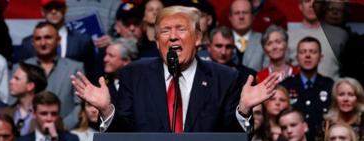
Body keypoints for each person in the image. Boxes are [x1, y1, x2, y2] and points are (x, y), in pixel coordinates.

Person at [71, 5, 278, 133]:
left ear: (198, 38)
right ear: (156, 39)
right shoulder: (134, 75)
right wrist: (106, 110)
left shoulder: (224, 78)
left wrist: (243, 110)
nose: (172, 36)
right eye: (165, 30)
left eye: (181, 29)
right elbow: (124, 136)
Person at [22, 21, 85, 129]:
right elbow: (14, 104)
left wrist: (61, 127)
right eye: (38, 39)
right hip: (29, 134)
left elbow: (80, 105)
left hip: (65, 133)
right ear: (32, 42)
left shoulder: (75, 68)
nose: (43, 43)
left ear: (59, 40)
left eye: (48, 37)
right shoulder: (21, 68)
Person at [18, 0, 96, 82]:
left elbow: (91, 74)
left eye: (57, 7)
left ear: (65, 9)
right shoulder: (27, 43)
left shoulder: (83, 41)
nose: (53, 11)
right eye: (49, 8)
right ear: (42, 11)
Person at [281, 36, 334, 141]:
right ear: (297, 57)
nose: (308, 55)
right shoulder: (286, 85)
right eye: (303, 52)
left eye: (313, 52)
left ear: (321, 57)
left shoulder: (330, 85)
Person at [287, 0, 348, 80]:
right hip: (297, 90)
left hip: (333, 90)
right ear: (300, 6)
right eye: (307, 1)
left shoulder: (341, 35)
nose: (312, 5)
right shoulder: (288, 36)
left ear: (323, 7)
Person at [0, 62, 47, 136]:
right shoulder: (3, 113)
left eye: (17, 79)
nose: (11, 81)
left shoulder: (48, 117)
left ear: (30, 86)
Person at [229, 0, 267, 71]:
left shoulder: (264, 41)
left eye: (245, 13)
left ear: (253, 16)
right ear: (230, 17)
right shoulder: (221, 40)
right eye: (237, 13)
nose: (241, 17)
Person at [324, 77, 364, 141]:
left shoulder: (362, 121)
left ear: (358, 98)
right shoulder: (326, 124)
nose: (345, 99)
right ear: (335, 98)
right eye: (341, 94)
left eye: (351, 95)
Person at [103, 38, 138, 106]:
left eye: (111, 56)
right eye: (106, 55)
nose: (105, 59)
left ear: (126, 61)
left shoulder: (140, 83)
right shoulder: (104, 84)